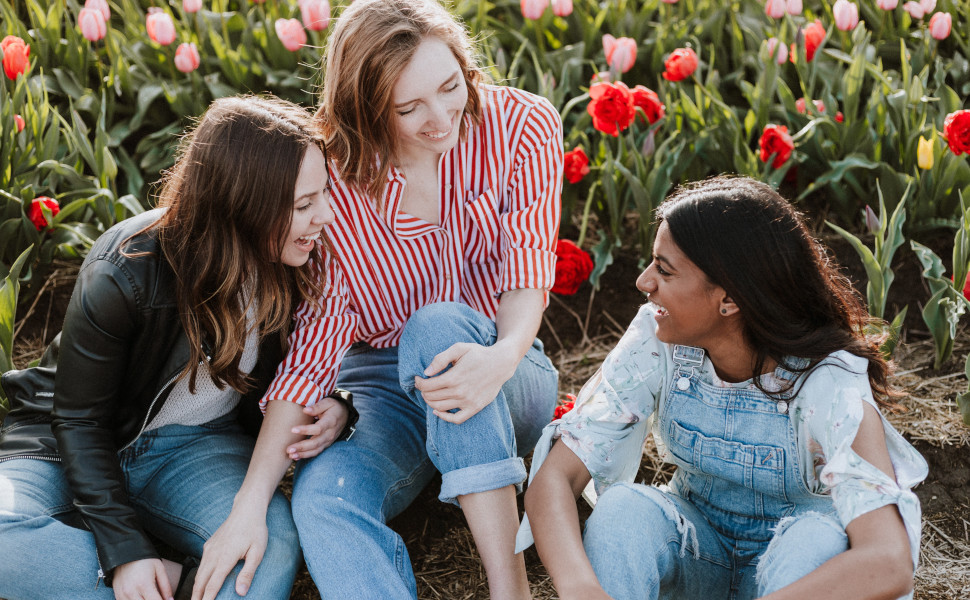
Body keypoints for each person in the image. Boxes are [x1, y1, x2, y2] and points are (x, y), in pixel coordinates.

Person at [0, 95, 353, 600]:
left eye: (323, 194)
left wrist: (337, 403)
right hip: (65, 443)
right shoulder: (125, 270)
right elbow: (78, 420)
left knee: (268, 550)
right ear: (241, 206)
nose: (325, 215)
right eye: (303, 205)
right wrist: (125, 553)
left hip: (193, 447)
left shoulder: (302, 263)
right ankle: (172, 582)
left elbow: (313, 359)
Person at [264, 0, 562, 597]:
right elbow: (319, 334)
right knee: (325, 501)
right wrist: (255, 498)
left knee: (438, 327)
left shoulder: (522, 125)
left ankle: (510, 589)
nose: (440, 118)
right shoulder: (333, 174)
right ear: (365, 109)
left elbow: (527, 272)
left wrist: (500, 357)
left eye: (450, 87)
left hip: (505, 364)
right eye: (408, 108)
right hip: (384, 387)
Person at [520, 176, 928, 600]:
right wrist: (582, 588)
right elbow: (555, 479)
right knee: (623, 510)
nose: (643, 281)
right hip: (698, 556)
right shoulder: (658, 341)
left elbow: (888, 561)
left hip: (795, 580)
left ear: (729, 299)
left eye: (664, 270)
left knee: (815, 539)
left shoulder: (828, 380)